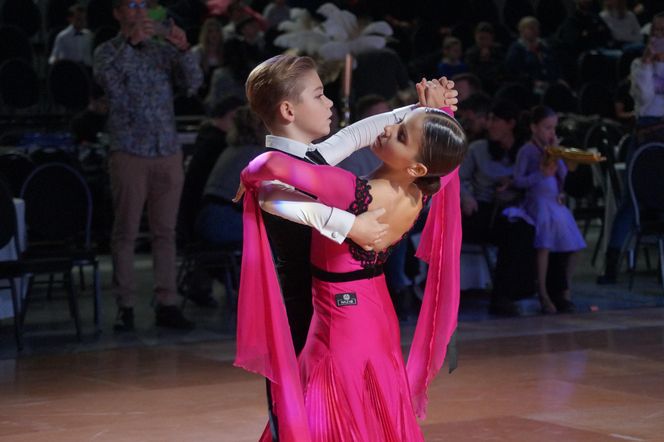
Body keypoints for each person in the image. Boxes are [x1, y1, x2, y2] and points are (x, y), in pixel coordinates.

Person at [236, 54, 466, 441]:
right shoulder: (401, 184)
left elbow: (355, 136)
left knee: (326, 410)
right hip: (303, 311)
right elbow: (271, 197)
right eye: (320, 95)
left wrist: (425, 111)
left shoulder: (326, 169)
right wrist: (348, 224)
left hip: (339, 313)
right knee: (313, 407)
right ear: (289, 110)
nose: (330, 104)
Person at [93, 0, 203, 331]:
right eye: (131, 5)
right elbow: (109, 84)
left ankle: (167, 302)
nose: (140, 11)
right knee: (126, 231)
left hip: (166, 148)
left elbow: (194, 83)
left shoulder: (160, 51)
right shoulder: (107, 51)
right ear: (117, 13)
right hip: (129, 149)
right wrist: (132, 44)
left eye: (144, 5)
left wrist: (183, 50)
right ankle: (125, 305)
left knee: (165, 232)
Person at [598, 12, 664, 283]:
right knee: (631, 199)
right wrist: (650, 64)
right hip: (647, 132)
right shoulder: (639, 64)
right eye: (657, 32)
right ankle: (612, 263)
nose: (660, 37)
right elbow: (646, 99)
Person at [504, 106, 586, 314]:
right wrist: (540, 173)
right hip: (538, 203)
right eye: (547, 128)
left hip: (554, 202)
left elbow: (563, 177)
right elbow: (519, 180)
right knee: (544, 247)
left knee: (574, 246)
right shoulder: (527, 151)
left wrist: (558, 157)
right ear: (534, 127)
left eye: (554, 129)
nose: (551, 133)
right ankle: (543, 293)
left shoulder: (551, 150)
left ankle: (563, 290)